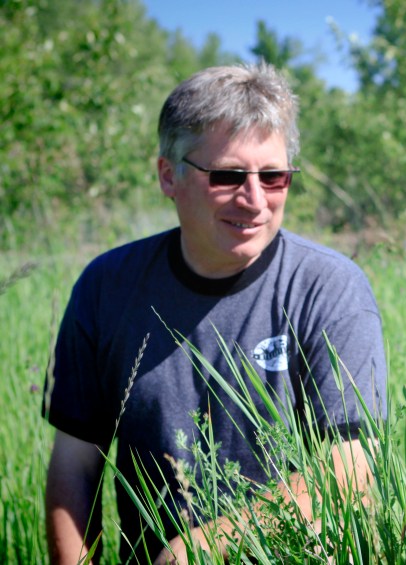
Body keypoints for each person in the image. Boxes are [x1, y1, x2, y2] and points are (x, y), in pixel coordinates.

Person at [42, 63, 387, 564]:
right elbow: (75, 466)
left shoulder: (330, 288)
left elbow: (349, 477)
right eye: (227, 176)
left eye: (274, 177)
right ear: (168, 176)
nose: (254, 200)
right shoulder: (107, 287)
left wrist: (199, 551)